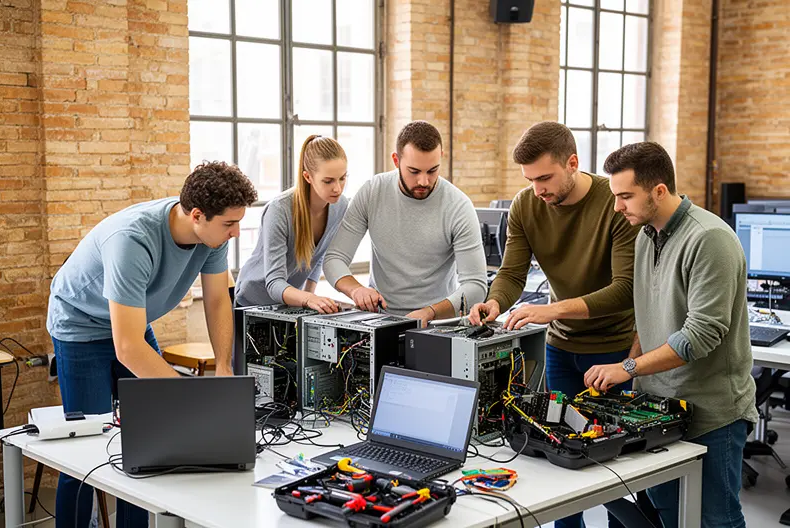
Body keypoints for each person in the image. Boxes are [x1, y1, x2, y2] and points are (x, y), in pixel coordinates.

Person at [46, 161, 257, 528]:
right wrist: (189, 402)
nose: (236, 232)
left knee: (151, 441)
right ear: (196, 215)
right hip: (80, 324)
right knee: (82, 451)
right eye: (229, 224)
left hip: (131, 322)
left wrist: (225, 367)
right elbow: (127, 347)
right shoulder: (132, 239)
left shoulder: (212, 237)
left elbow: (218, 300)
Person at [468, 122, 640, 528]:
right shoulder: (527, 205)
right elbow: (511, 274)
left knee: (622, 469)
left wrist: (552, 311)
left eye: (545, 177)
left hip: (616, 351)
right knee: (561, 463)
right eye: (529, 180)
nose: (537, 189)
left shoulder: (611, 202)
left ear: (573, 163)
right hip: (562, 351)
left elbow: (625, 290)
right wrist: (493, 302)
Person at [584, 141, 757, 528]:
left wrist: (627, 367)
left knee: (716, 520)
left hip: (712, 415)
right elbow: (649, 318)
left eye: (625, 196)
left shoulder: (710, 239)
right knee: (665, 514)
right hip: (659, 409)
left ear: (658, 191)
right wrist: (634, 370)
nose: (617, 207)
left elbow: (700, 334)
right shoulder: (646, 235)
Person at [323, 120, 486, 326]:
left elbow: (476, 286)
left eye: (432, 170)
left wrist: (431, 312)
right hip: (380, 320)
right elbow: (333, 259)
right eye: (414, 171)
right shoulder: (373, 192)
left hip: (438, 324)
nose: (424, 181)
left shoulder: (459, 206)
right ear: (396, 160)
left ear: (441, 158)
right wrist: (356, 289)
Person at [235, 135, 349, 313]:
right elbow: (273, 282)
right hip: (252, 302)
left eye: (342, 178)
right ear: (308, 177)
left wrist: (311, 306)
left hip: (290, 304)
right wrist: (309, 299)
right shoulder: (279, 210)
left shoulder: (340, 206)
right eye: (328, 181)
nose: (338, 188)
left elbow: (316, 259)